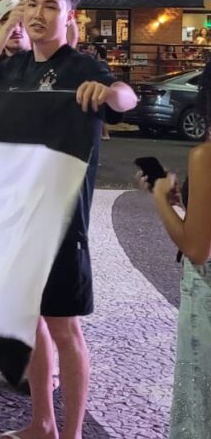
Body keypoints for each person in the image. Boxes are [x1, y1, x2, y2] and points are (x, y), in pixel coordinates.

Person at [0, 0, 137, 439]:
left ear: (70, 17)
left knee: (64, 329)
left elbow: (126, 98)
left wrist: (108, 93)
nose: (38, 13)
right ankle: (41, 422)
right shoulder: (19, 66)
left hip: (61, 220)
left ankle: (72, 434)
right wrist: (9, 23)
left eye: (50, 6)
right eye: (32, 3)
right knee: (32, 322)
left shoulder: (80, 66)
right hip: (17, 218)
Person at [136, 63, 211, 439]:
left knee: (201, 406)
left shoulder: (207, 156)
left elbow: (197, 248)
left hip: (207, 301)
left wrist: (162, 199)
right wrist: (190, 205)